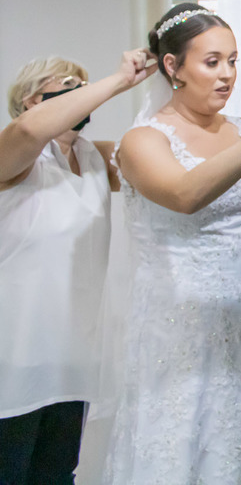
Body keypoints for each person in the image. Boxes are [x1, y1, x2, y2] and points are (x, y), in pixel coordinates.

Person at [104, 3, 241, 484]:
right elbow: (185, 194)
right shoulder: (143, 141)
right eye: (212, 62)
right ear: (173, 66)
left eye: (233, 61)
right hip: (179, 327)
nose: (227, 74)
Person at [0, 50, 154, 485]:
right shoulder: (15, 153)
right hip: (14, 352)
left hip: (72, 354)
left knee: (56, 473)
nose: (82, 95)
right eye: (68, 87)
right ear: (32, 100)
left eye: (81, 86)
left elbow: (160, 157)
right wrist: (119, 80)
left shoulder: (93, 158)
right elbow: (29, 130)